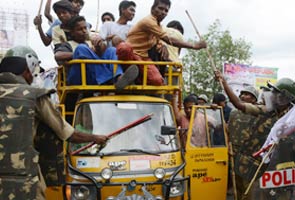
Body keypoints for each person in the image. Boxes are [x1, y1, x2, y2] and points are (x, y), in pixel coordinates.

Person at [0, 46, 108, 200]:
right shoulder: (34, 96)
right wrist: (95, 138)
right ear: (27, 70)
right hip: (24, 179)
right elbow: (68, 133)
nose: (33, 77)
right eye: (33, 73)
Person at [215, 70, 295, 200]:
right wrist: (224, 83)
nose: (272, 95)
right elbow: (239, 105)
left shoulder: (292, 119)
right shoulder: (266, 110)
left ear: (286, 97)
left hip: (282, 170)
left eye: (276, 92)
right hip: (258, 166)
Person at [116, 0, 207, 86]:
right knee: (124, 47)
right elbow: (169, 39)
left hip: (143, 58)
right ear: (152, 8)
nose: (163, 12)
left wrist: (164, 48)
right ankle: (126, 75)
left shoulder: (158, 26)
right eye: (160, 8)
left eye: (166, 10)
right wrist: (194, 45)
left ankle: (133, 79)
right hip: (131, 54)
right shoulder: (149, 21)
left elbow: (161, 41)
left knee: (157, 81)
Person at [54, 15, 138, 87]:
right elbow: (57, 55)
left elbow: (102, 53)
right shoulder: (68, 44)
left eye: (85, 28)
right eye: (80, 29)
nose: (84, 31)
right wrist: (80, 53)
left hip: (94, 77)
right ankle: (110, 79)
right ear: (72, 33)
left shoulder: (90, 42)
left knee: (112, 50)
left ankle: (119, 77)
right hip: (79, 78)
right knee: (81, 49)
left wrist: (98, 46)